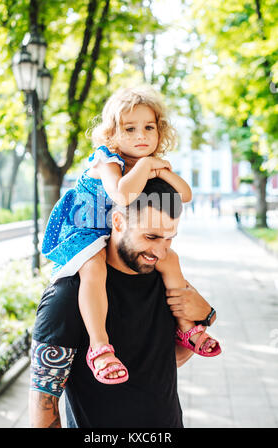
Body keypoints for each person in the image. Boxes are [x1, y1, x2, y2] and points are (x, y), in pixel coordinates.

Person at [41, 85, 220, 385]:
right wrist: (150, 166)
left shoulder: (147, 161)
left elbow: (184, 194)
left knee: (170, 260)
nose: (141, 136)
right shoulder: (107, 159)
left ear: (159, 131)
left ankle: (188, 328)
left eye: (149, 127)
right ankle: (99, 346)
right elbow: (122, 194)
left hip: (115, 231)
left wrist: (158, 169)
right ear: (113, 134)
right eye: (130, 128)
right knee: (94, 269)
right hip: (85, 228)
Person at [29, 178, 218, 428]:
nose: (160, 252)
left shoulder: (165, 281)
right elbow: (44, 401)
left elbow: (171, 360)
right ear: (118, 222)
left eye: (169, 239)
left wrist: (205, 317)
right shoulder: (68, 295)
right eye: (151, 236)